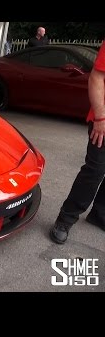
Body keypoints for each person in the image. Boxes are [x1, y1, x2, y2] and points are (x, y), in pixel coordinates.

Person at [49, 41, 105, 244]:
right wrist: (100, 118)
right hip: (103, 121)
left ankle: (99, 214)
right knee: (95, 171)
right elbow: (97, 77)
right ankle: (66, 218)